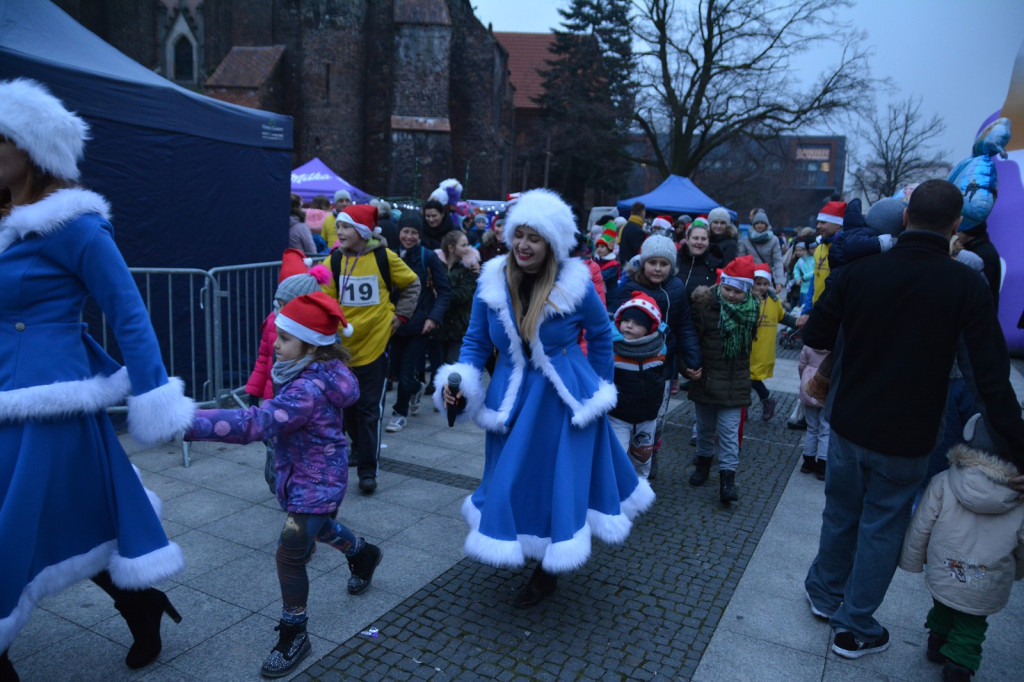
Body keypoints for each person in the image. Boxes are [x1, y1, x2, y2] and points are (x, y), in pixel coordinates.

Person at [0, 78, 195, 677]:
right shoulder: (4, 220)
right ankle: (143, 605)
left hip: (50, 406)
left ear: (30, 149)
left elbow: (129, 315)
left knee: (18, 522)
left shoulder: (76, 224)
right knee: (79, 514)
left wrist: (155, 397)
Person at [801, 179, 1024, 661]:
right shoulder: (965, 282)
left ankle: (823, 592)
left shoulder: (861, 272)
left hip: (848, 419)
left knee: (841, 511)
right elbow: (986, 375)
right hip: (908, 432)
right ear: (956, 225)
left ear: (905, 218)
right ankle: (854, 625)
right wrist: (1015, 442)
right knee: (882, 524)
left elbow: (818, 331)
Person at [435, 188, 655, 609]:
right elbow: (475, 341)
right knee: (513, 476)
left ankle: (548, 568)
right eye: (519, 235)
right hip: (511, 402)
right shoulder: (493, 279)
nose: (523, 245)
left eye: (534, 238)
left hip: (560, 402)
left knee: (556, 479)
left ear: (551, 243)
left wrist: (597, 389)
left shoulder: (574, 284)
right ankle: (525, 538)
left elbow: (602, 336)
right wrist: (459, 380)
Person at [184, 292, 383, 679]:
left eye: (285, 339)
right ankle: (362, 553)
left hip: (315, 482)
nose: (276, 344)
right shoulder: (311, 373)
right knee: (319, 529)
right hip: (308, 476)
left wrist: (186, 421)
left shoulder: (304, 390)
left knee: (289, 553)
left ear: (311, 345)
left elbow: (253, 423)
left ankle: (295, 632)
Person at [899, 420, 1024, 682]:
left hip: (947, 566)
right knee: (972, 623)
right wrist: (1018, 571)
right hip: (988, 576)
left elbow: (922, 525)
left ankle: (937, 641)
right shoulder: (1020, 499)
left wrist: (913, 560)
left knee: (944, 603)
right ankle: (959, 666)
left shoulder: (944, 481)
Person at [324, 204, 421, 495]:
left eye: (346, 227)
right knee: (347, 410)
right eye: (338, 226)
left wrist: (399, 317)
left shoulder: (384, 257)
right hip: (342, 351)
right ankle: (357, 450)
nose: (338, 231)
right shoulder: (335, 260)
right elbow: (326, 298)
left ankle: (368, 471)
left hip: (375, 347)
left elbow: (412, 284)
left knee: (368, 410)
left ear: (363, 232)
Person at [245, 249, 331, 491]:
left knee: (300, 451)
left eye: (286, 303)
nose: (280, 308)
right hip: (275, 399)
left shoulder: (314, 334)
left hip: (302, 408)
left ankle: (299, 489)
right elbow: (264, 358)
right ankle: (279, 483)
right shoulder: (272, 321)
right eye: (278, 302)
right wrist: (254, 389)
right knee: (274, 448)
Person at [618, 235, 704, 477]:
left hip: (664, 366)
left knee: (657, 416)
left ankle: (649, 454)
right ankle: (622, 462)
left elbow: (684, 326)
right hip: (630, 364)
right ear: (643, 262)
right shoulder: (630, 288)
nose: (657, 268)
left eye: (663, 263)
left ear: (672, 266)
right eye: (652, 262)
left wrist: (692, 360)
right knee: (627, 412)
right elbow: (618, 323)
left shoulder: (676, 288)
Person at [687, 255, 759, 503]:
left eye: (738, 292)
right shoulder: (705, 307)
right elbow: (693, 340)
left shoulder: (752, 311)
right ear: (721, 284)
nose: (731, 295)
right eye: (728, 289)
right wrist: (690, 366)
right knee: (705, 429)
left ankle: (727, 480)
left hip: (735, 384)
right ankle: (703, 465)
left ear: (746, 292)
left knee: (729, 434)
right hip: (706, 379)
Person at [386, 213, 451, 433]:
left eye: (414, 232)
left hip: (420, 326)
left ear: (420, 235)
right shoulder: (390, 255)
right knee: (393, 370)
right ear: (399, 232)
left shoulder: (428, 257)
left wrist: (433, 318)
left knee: (406, 372)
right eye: (406, 231)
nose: (409, 236)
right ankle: (416, 388)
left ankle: (399, 413)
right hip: (394, 325)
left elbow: (444, 291)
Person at [607, 292, 667, 479]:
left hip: (646, 419)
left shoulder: (659, 350)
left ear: (649, 329)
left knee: (643, 461)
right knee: (616, 458)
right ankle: (614, 498)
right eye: (627, 320)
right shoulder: (610, 349)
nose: (630, 325)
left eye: (638, 323)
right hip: (618, 416)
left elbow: (660, 380)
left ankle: (640, 495)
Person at [748, 267, 796, 421]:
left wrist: (797, 323)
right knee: (746, 377)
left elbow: (782, 317)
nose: (762, 287)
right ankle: (745, 408)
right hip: (749, 347)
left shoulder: (773, 300)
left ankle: (766, 400)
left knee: (751, 377)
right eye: (758, 283)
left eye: (765, 284)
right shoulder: (747, 299)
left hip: (763, 348)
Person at [436, 229, 480, 364]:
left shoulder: (470, 266)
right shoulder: (436, 263)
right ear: (451, 248)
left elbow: (463, 294)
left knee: (452, 366)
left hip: (460, 327)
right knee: (437, 368)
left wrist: (440, 295)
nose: (468, 248)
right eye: (463, 245)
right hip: (439, 326)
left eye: (467, 244)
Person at [797, 345, 830, 480]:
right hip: (827, 384)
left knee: (811, 427)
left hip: (810, 385)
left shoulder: (809, 345)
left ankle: (808, 461)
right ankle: (823, 464)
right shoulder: (834, 346)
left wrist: (804, 378)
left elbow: (801, 365)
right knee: (826, 427)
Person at [955, 220, 1001, 310]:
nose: (955, 234)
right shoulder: (977, 249)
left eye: (958, 230)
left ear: (969, 232)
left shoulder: (983, 255)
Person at [737, 209, 785, 291]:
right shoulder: (746, 240)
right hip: (750, 279)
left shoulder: (774, 240)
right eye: (757, 223)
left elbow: (778, 261)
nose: (760, 225)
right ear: (753, 224)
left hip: (766, 279)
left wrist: (779, 281)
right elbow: (741, 261)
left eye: (762, 223)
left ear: (766, 225)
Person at [676, 218, 722, 297]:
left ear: (708, 241)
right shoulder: (675, 262)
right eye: (695, 238)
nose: (699, 242)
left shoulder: (716, 265)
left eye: (703, 239)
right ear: (687, 240)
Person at [591, 225, 620, 312]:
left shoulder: (614, 264)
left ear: (609, 248)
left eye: (602, 247)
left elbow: (602, 276)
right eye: (598, 247)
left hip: (610, 298)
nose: (599, 249)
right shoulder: (597, 261)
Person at [617, 201, 647, 265]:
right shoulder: (638, 230)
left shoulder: (625, 226)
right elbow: (639, 251)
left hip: (624, 264)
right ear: (642, 213)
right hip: (632, 267)